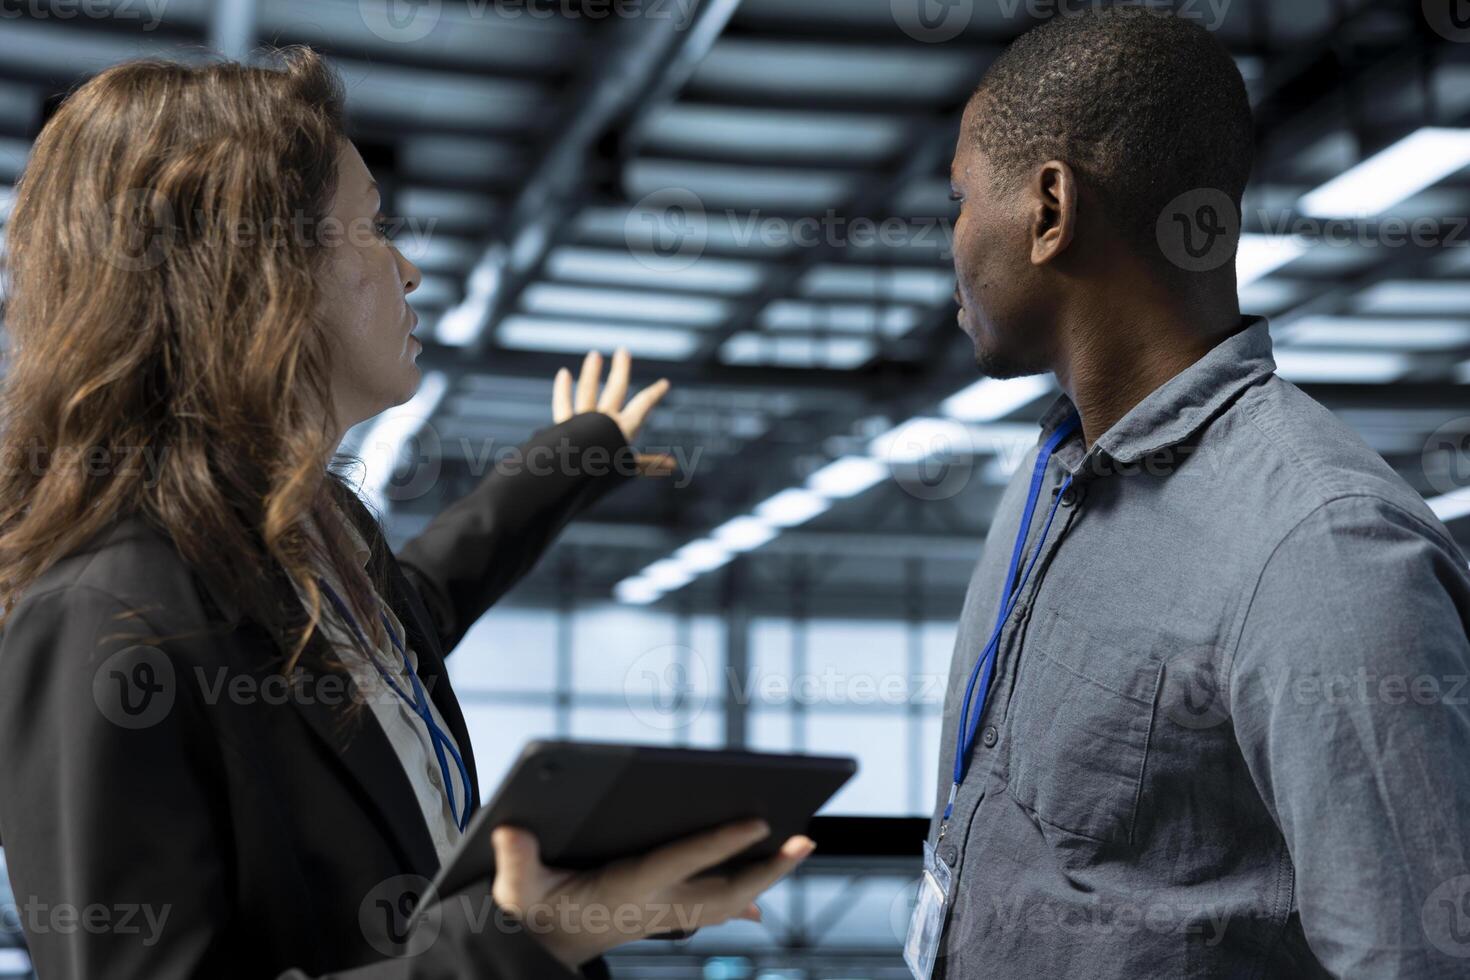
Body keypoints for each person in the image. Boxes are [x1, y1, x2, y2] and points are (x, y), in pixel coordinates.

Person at [0, 48, 814, 979]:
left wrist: (568, 464)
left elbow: (417, 611)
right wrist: (522, 943)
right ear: (261, 275)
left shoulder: (318, 532)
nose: (412, 271)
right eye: (374, 228)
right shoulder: (104, 613)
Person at [925, 5, 1470, 978]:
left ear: (1049, 209)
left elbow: (1418, 956)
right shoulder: (1054, 472)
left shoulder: (1322, 551)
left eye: (961, 201)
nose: (952, 245)